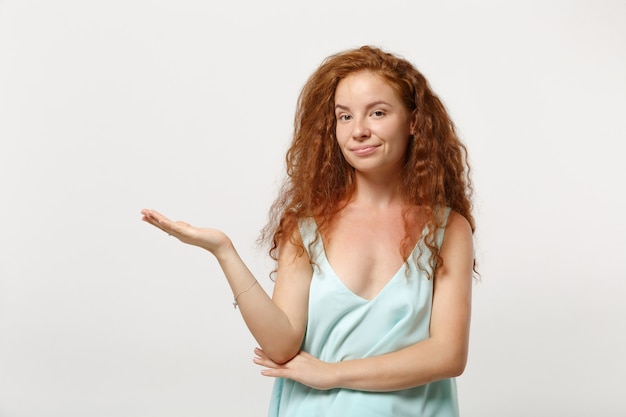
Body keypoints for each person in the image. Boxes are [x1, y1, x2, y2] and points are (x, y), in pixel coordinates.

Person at [141, 45, 476, 417]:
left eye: (377, 113)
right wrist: (224, 251)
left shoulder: (447, 229)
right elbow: (282, 346)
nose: (359, 131)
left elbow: (447, 355)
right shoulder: (307, 227)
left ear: (414, 121)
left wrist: (333, 374)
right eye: (344, 117)